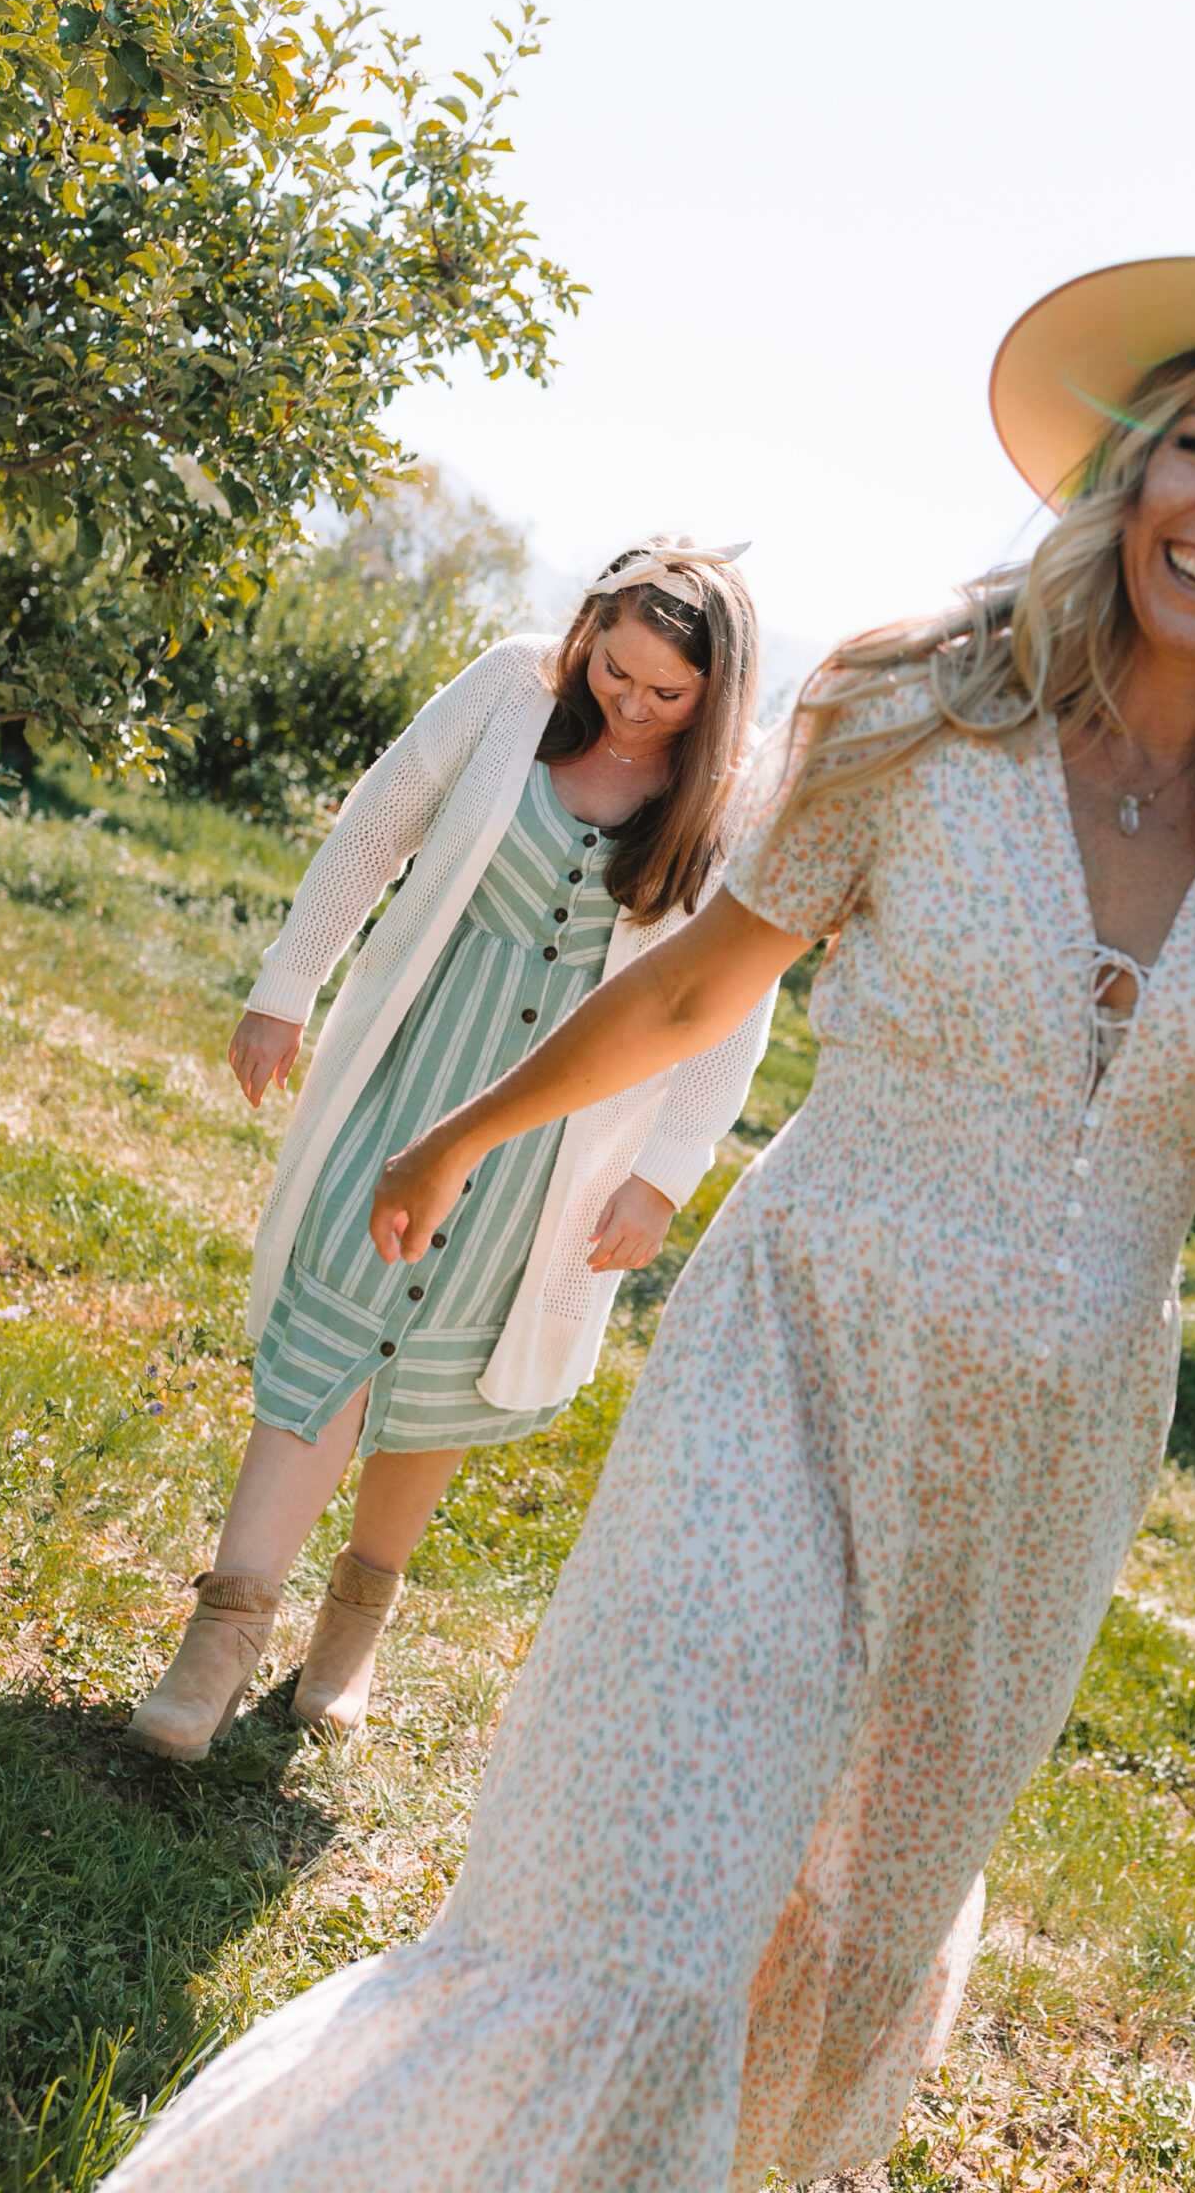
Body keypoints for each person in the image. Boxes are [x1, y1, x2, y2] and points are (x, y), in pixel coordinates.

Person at [104, 243, 1195, 2192]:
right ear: (1128, 468)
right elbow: (704, 982)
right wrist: (464, 1129)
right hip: (787, 1348)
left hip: (1044, 1450)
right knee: (648, 1889)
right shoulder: (917, 710)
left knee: (844, 1942)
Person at [126, 539, 774, 1761]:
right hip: (407, 1083)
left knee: (440, 1380)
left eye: (663, 692)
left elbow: (734, 1008)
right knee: (334, 1322)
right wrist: (286, 983)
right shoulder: (514, 687)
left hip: (553, 1154)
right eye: (617, 668)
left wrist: (662, 1173)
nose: (630, 703)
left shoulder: (730, 804)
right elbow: (378, 828)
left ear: (714, 696)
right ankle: (216, 1645)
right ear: (588, 633)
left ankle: (353, 1627)